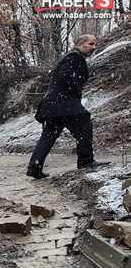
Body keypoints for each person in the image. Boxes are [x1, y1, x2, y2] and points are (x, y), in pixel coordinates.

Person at [27, 34, 109, 178]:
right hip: (62, 102)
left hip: (52, 104)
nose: (94, 47)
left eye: (95, 44)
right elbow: (66, 76)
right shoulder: (74, 57)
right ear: (80, 45)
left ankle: (34, 168)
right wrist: (75, 92)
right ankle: (85, 160)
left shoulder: (72, 57)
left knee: (48, 136)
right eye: (90, 44)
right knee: (84, 124)